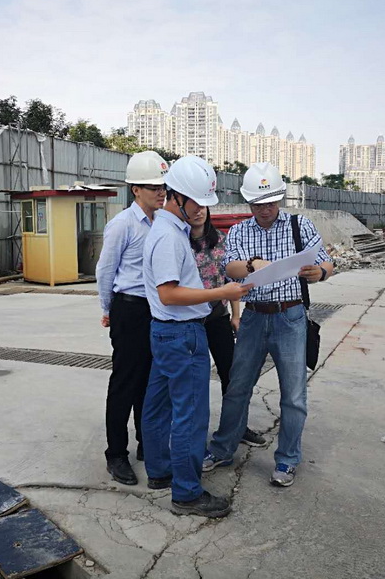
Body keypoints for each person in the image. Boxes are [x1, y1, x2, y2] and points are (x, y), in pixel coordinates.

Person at [202, 162, 334, 488]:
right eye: (258, 204)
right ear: (249, 202)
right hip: (254, 317)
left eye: (271, 202)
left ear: (280, 198)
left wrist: (320, 273)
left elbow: (325, 261)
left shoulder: (299, 225)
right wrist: (251, 265)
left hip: (290, 317)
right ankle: (223, 448)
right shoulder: (240, 231)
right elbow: (230, 269)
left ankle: (287, 459)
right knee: (237, 387)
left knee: (293, 395)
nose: (265, 209)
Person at [141, 155, 252, 518]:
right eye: (197, 202)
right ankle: (187, 493)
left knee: (157, 405)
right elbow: (169, 293)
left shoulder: (170, 230)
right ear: (177, 197)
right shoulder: (169, 237)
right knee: (190, 415)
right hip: (182, 335)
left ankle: (160, 471)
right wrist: (223, 293)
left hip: (167, 333)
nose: (202, 209)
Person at [95, 151, 169, 486]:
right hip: (129, 309)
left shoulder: (162, 222)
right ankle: (116, 454)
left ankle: (146, 443)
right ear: (135, 189)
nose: (160, 192)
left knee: (149, 382)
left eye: (163, 186)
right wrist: (108, 309)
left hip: (156, 310)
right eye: (153, 187)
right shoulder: (123, 224)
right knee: (125, 383)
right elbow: (105, 270)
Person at [187, 207, 267, 448]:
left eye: (203, 208)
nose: (198, 213)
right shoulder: (178, 241)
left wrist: (235, 314)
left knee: (231, 375)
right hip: (189, 320)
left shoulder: (221, 240)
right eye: (193, 208)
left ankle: (237, 427)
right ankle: (190, 434)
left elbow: (231, 280)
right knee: (192, 379)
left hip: (217, 317)